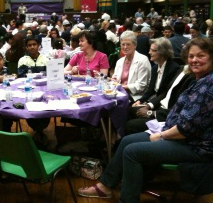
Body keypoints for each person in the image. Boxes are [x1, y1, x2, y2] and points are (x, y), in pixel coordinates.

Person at [78, 37, 213, 203]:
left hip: (194, 146)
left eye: (201, 56)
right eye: (191, 56)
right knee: (127, 140)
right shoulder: (200, 81)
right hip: (176, 133)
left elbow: (186, 129)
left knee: (132, 152)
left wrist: (162, 135)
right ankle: (106, 186)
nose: (194, 60)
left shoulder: (208, 87)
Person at [112, 31, 151, 102]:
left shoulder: (143, 60)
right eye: (123, 44)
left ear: (135, 45)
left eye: (128, 44)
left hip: (136, 97)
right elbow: (115, 78)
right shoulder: (120, 61)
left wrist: (121, 86)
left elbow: (141, 86)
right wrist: (113, 80)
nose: (125, 47)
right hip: (119, 93)